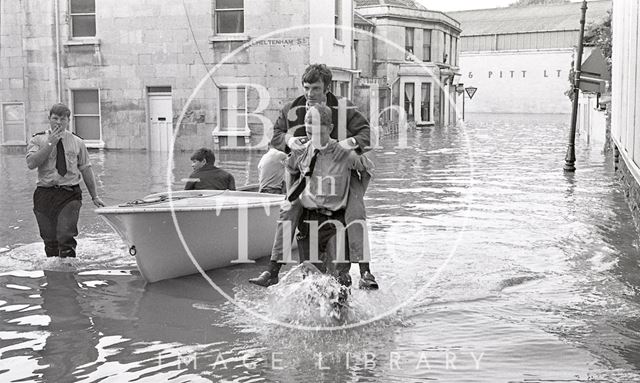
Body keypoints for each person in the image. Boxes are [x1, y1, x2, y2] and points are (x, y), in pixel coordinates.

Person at [250, 64, 378, 289]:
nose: (310, 94)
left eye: (316, 88)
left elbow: (368, 135)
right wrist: (290, 142)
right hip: (306, 172)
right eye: (306, 87)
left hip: (341, 169)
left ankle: (365, 271)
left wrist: (348, 143)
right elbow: (276, 135)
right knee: (289, 207)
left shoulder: (344, 108)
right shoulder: (292, 107)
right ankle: (273, 270)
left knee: (356, 208)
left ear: (327, 89)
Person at [285, 105, 374, 289]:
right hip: (309, 220)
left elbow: (367, 170)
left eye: (318, 131)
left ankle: (346, 314)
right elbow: (290, 168)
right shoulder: (301, 151)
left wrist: (355, 198)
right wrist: (291, 196)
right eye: (309, 131)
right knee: (310, 282)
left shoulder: (344, 153)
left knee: (340, 280)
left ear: (330, 128)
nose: (313, 136)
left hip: (337, 221)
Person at [26, 103, 105, 258]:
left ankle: (69, 272)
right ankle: (55, 277)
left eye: (63, 119)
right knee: (49, 240)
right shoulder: (37, 139)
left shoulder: (77, 142)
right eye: (55, 118)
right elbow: (31, 164)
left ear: (68, 120)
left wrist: (94, 196)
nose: (58, 122)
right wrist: (51, 143)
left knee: (65, 236)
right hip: (44, 193)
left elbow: (86, 169)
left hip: (69, 193)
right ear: (49, 119)